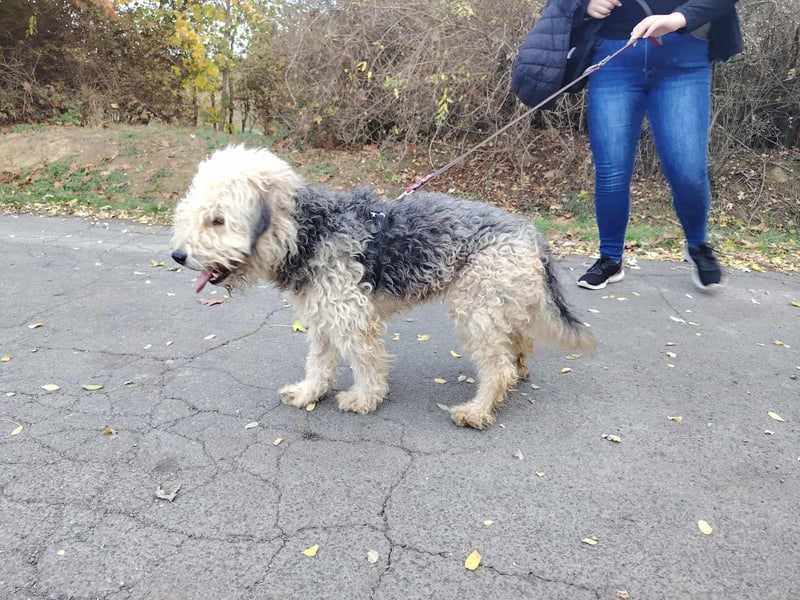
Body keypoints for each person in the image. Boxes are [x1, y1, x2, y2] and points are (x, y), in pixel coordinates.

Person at [576, 0, 742, 290]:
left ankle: (698, 245)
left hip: (684, 57)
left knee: (688, 170)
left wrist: (680, 18)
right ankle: (610, 258)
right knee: (611, 170)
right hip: (614, 55)